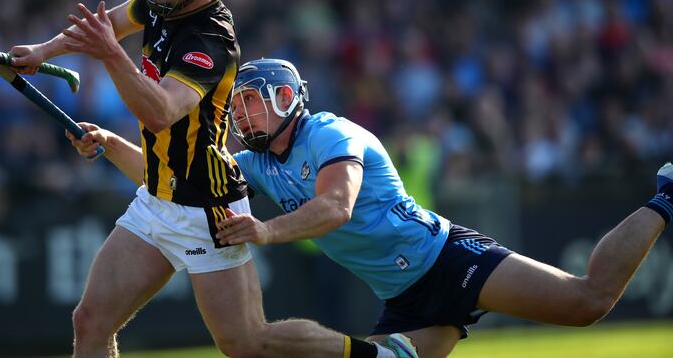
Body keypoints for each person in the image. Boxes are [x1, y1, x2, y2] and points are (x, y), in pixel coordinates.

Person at [12, 0, 413, 358]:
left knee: (246, 343)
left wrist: (111, 54)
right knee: (89, 321)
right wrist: (42, 52)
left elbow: (160, 111)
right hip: (156, 199)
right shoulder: (159, 3)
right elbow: (105, 24)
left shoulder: (211, 40)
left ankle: (381, 356)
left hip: (208, 210)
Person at [208, 58, 669, 358]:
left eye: (249, 101)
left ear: (285, 98)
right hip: (405, 300)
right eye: (238, 105)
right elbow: (166, 178)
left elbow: (336, 207)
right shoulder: (254, 163)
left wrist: (264, 231)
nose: (240, 115)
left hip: (447, 260)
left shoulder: (330, 132)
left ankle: (666, 195)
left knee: (587, 301)